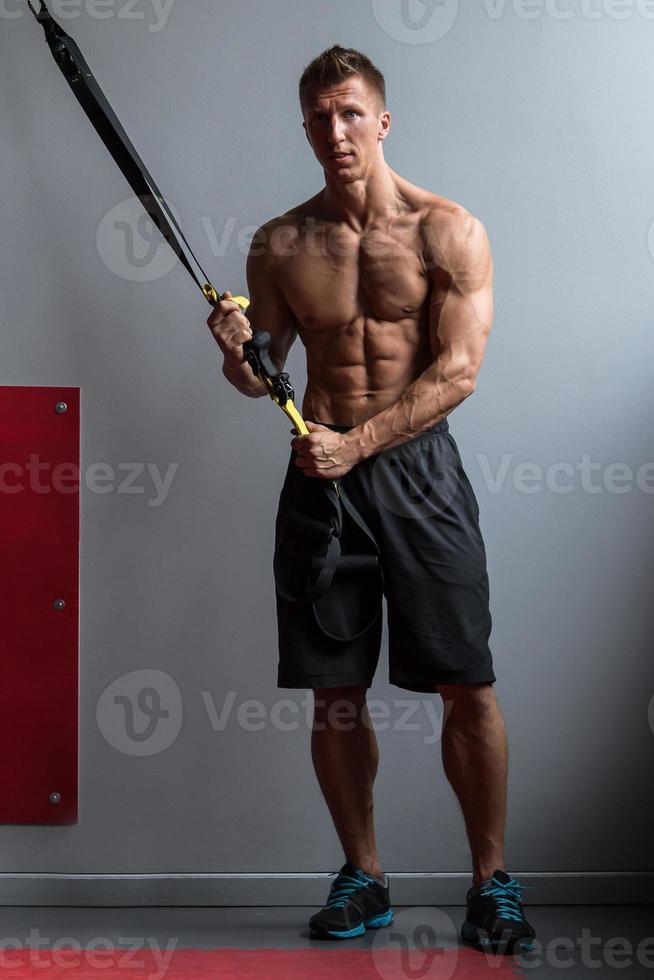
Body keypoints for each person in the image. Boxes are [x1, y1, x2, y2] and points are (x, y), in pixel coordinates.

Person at [207, 45, 535, 955]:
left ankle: (491, 882)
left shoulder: (447, 229)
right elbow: (257, 377)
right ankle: (365, 875)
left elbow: (459, 371)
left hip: (417, 472)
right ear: (305, 127)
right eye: (318, 115)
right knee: (334, 694)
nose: (335, 131)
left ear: (382, 121)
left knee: (466, 685)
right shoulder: (279, 242)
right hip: (321, 480)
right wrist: (234, 346)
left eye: (351, 113)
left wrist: (361, 443)